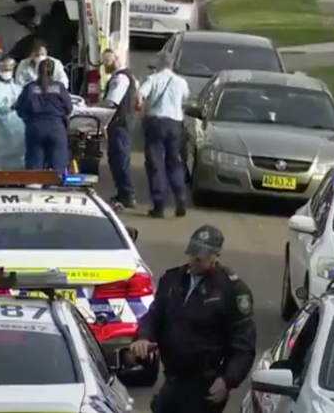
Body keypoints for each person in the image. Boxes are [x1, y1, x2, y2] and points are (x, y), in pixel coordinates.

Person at [131, 225, 256, 413]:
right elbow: (155, 314)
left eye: (200, 258)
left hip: (204, 385)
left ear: (216, 256)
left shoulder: (231, 290)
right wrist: (144, 336)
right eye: (191, 255)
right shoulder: (173, 279)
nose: (193, 261)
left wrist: (227, 380)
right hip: (173, 380)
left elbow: (243, 345)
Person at [138, 51, 189, 218]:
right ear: (172, 64)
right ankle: (180, 196)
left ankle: (159, 204)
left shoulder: (153, 79)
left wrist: (139, 109)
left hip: (156, 122)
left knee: (155, 162)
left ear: (160, 64)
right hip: (175, 124)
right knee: (174, 161)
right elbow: (184, 100)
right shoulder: (181, 82)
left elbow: (140, 96)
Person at [16, 59, 73, 170]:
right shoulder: (59, 87)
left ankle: (34, 185)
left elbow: (20, 108)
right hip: (56, 128)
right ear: (53, 72)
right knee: (58, 168)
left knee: (34, 168)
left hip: (35, 128)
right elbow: (69, 109)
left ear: (38, 71)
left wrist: (28, 120)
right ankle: (55, 184)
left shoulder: (30, 88)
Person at [98, 49, 136, 207]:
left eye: (105, 63)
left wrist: (94, 109)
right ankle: (123, 193)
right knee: (118, 159)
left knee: (119, 159)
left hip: (120, 123)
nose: (104, 67)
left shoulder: (120, 78)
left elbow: (111, 102)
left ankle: (127, 194)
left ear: (113, 61)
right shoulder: (128, 76)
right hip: (124, 122)